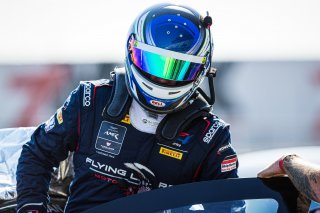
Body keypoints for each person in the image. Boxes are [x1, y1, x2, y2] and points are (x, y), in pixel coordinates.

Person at [16, 3, 243, 213]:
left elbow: (229, 204)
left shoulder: (210, 136)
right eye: (154, 63)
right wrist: (32, 209)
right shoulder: (91, 100)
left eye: (178, 70)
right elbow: (38, 153)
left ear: (202, 70)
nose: (162, 79)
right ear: (132, 51)